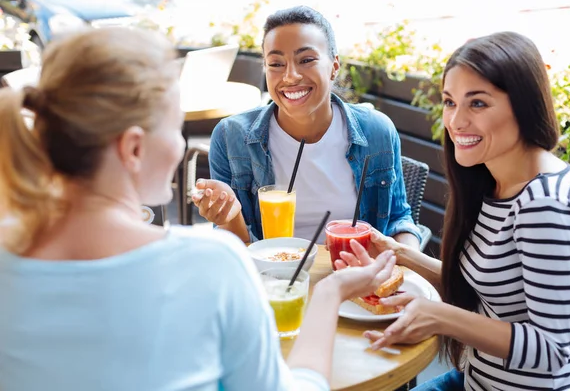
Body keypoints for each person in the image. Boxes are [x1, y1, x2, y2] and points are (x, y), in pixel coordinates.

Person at [0, 27, 398, 391]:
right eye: (175, 128)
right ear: (134, 149)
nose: (179, 147)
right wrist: (329, 294)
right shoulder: (210, 264)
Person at [336, 32, 570, 390]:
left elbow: (552, 350)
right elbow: (490, 289)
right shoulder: (495, 182)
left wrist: (441, 317)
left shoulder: (547, 207)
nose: (456, 121)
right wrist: (397, 253)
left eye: (477, 104)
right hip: (475, 380)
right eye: (449, 102)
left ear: (525, 105)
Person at [193, 6, 421, 248]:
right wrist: (230, 217)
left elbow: (399, 219)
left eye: (306, 60)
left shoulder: (377, 131)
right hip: (273, 280)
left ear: (334, 66)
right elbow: (235, 246)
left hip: (357, 274)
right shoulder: (231, 137)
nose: (290, 76)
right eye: (276, 64)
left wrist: (405, 265)